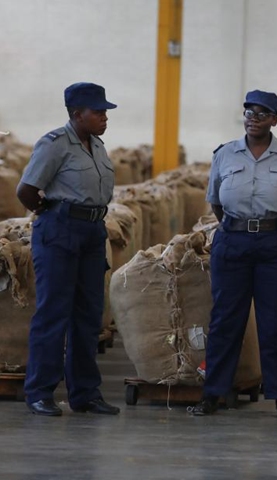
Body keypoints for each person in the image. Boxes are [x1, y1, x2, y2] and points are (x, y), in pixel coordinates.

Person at [190, 90, 277, 419]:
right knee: (225, 321)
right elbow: (216, 202)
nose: (253, 119)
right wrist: (239, 229)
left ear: (274, 119)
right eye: (249, 112)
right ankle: (213, 394)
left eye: (262, 113)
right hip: (233, 243)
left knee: (276, 325)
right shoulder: (225, 154)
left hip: (276, 247)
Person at [16, 82, 120, 416]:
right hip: (60, 231)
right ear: (77, 114)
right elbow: (27, 190)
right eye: (98, 112)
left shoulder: (98, 146)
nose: (105, 117)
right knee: (53, 314)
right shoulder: (55, 145)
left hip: (92, 232)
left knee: (88, 316)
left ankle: (85, 393)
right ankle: (40, 392)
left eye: (105, 111)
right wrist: (49, 213)